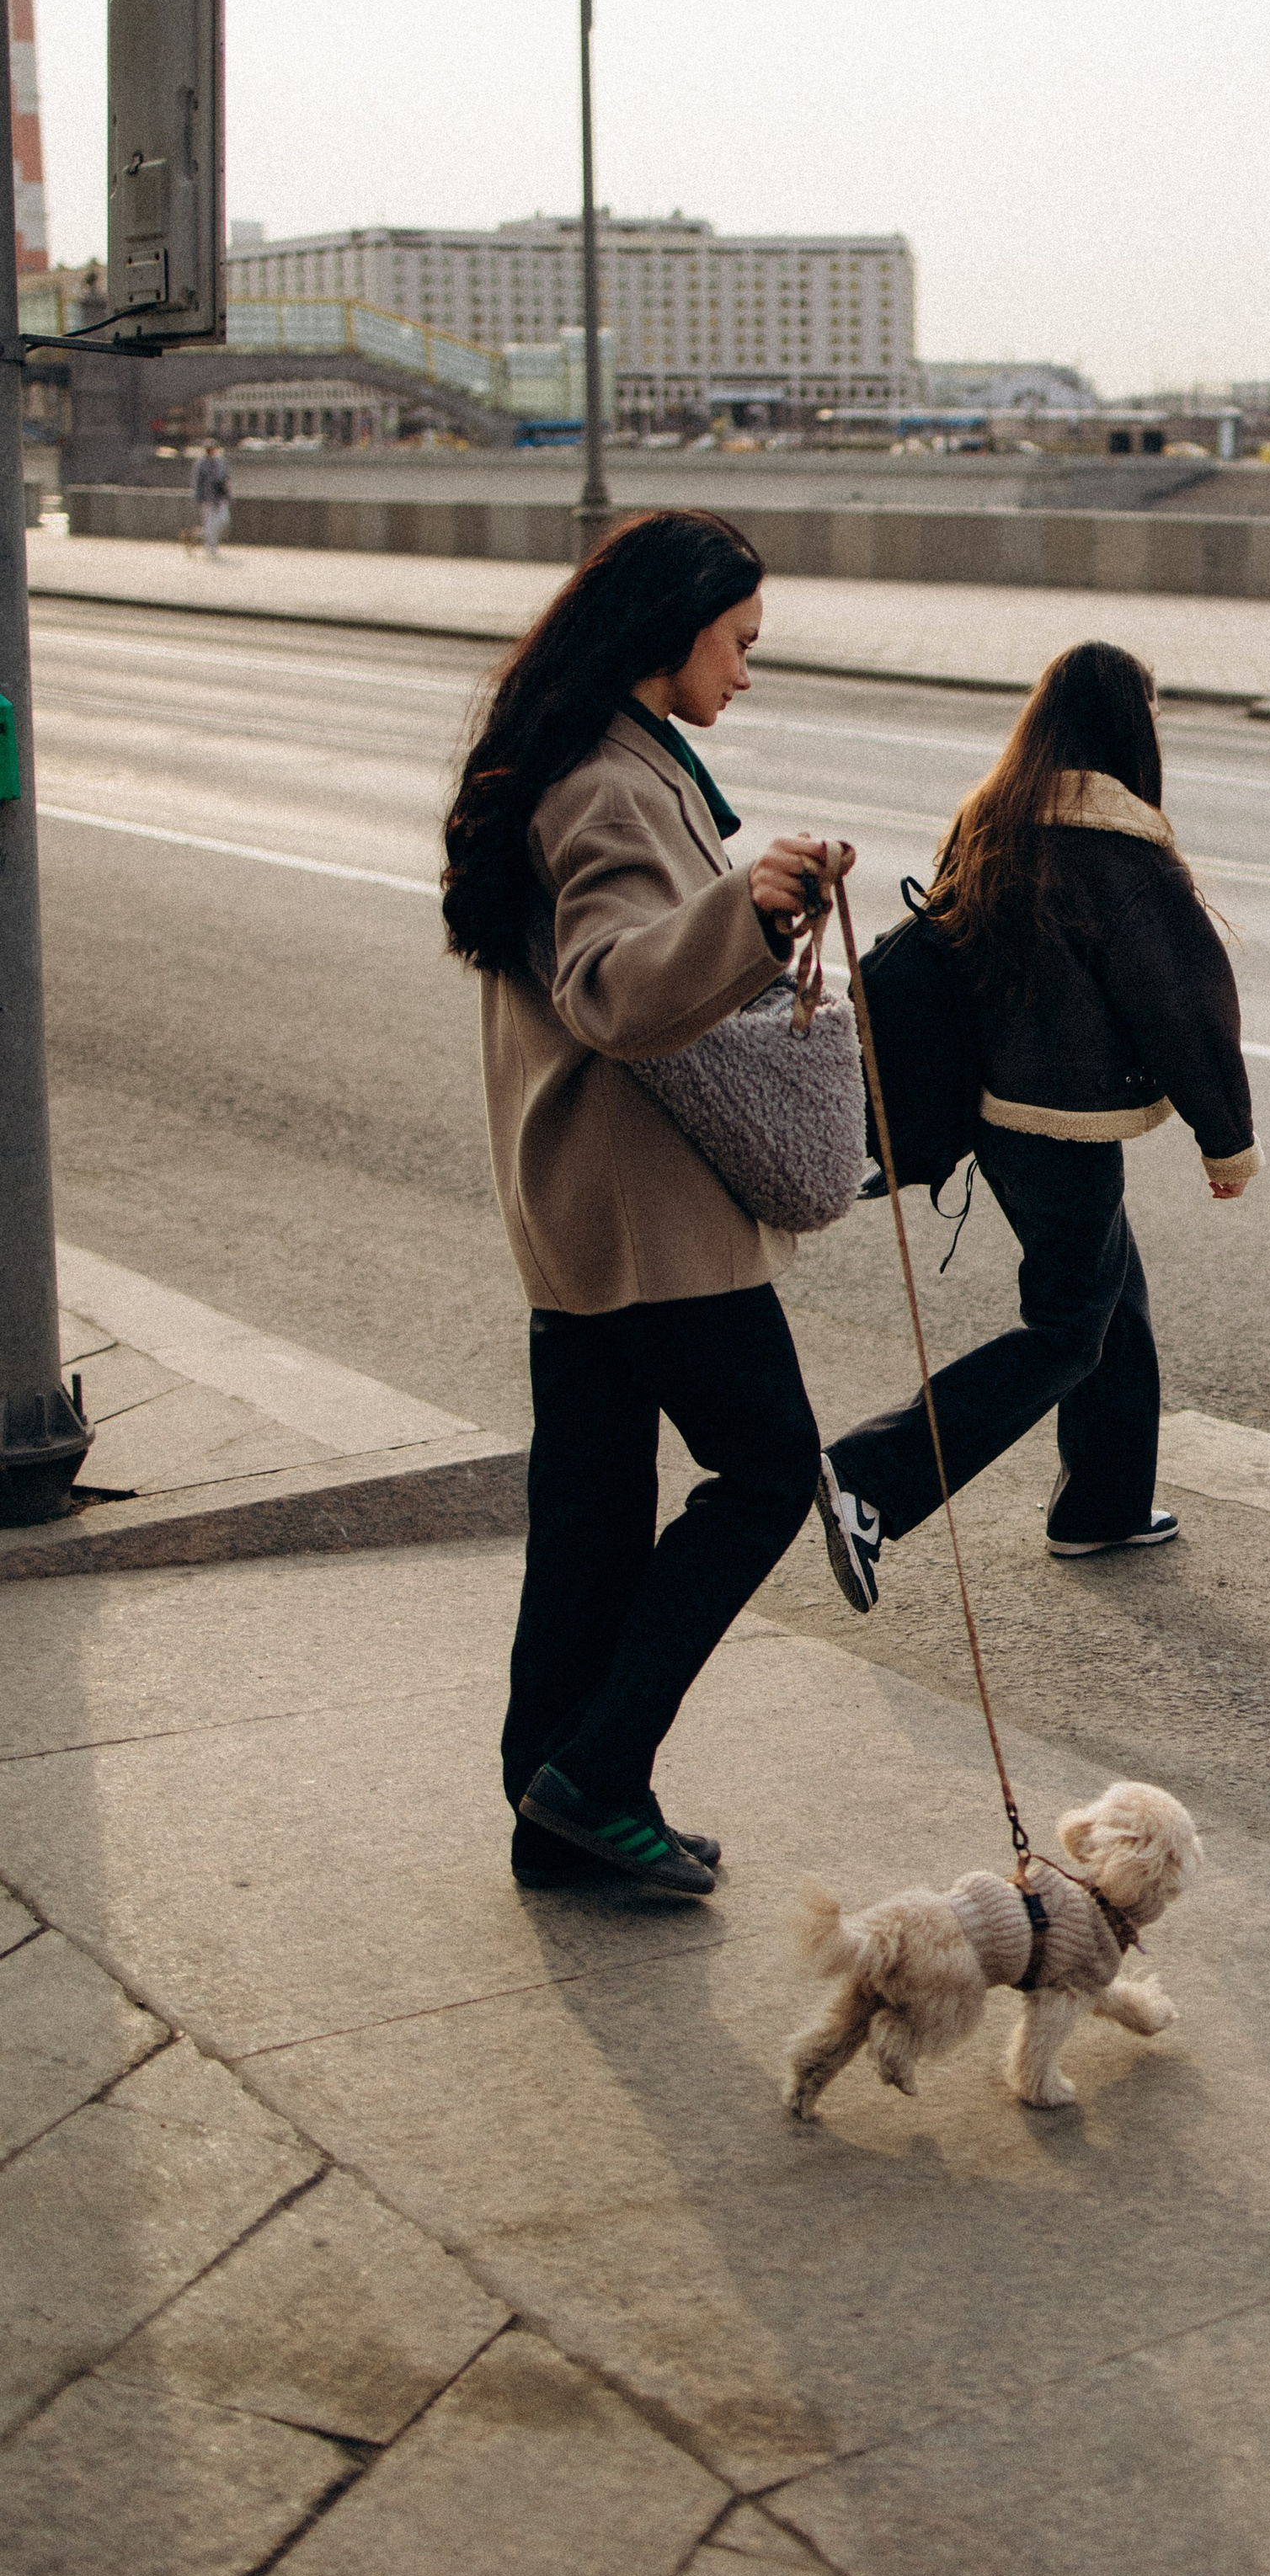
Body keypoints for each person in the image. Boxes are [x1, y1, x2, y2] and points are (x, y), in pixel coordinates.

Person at [442, 509, 847, 1896]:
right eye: (737, 644)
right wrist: (755, 908)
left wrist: (741, 907)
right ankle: (599, 1773)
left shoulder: (566, 755)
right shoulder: (613, 787)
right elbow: (618, 990)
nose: (745, 672)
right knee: (771, 1473)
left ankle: (549, 1808)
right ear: (669, 633)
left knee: (593, 1520)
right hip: (649, 1222)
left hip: (575, 1213)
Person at [816, 639, 1260, 1613]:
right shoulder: (1120, 851)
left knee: (1112, 1298)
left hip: (992, 1121)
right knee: (1066, 1328)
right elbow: (1182, 1005)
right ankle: (870, 1480)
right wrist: (1225, 1140)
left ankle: (1101, 1505)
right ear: (1129, 732)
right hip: (1063, 1125)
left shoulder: (991, 822)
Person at [190, 440, 232, 560]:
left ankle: (197, 535)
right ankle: (211, 547)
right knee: (209, 523)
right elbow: (197, 483)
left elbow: (226, 479)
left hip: (220, 497)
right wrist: (199, 498)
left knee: (224, 520)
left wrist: (228, 495)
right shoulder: (201, 464)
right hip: (207, 498)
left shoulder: (221, 462)